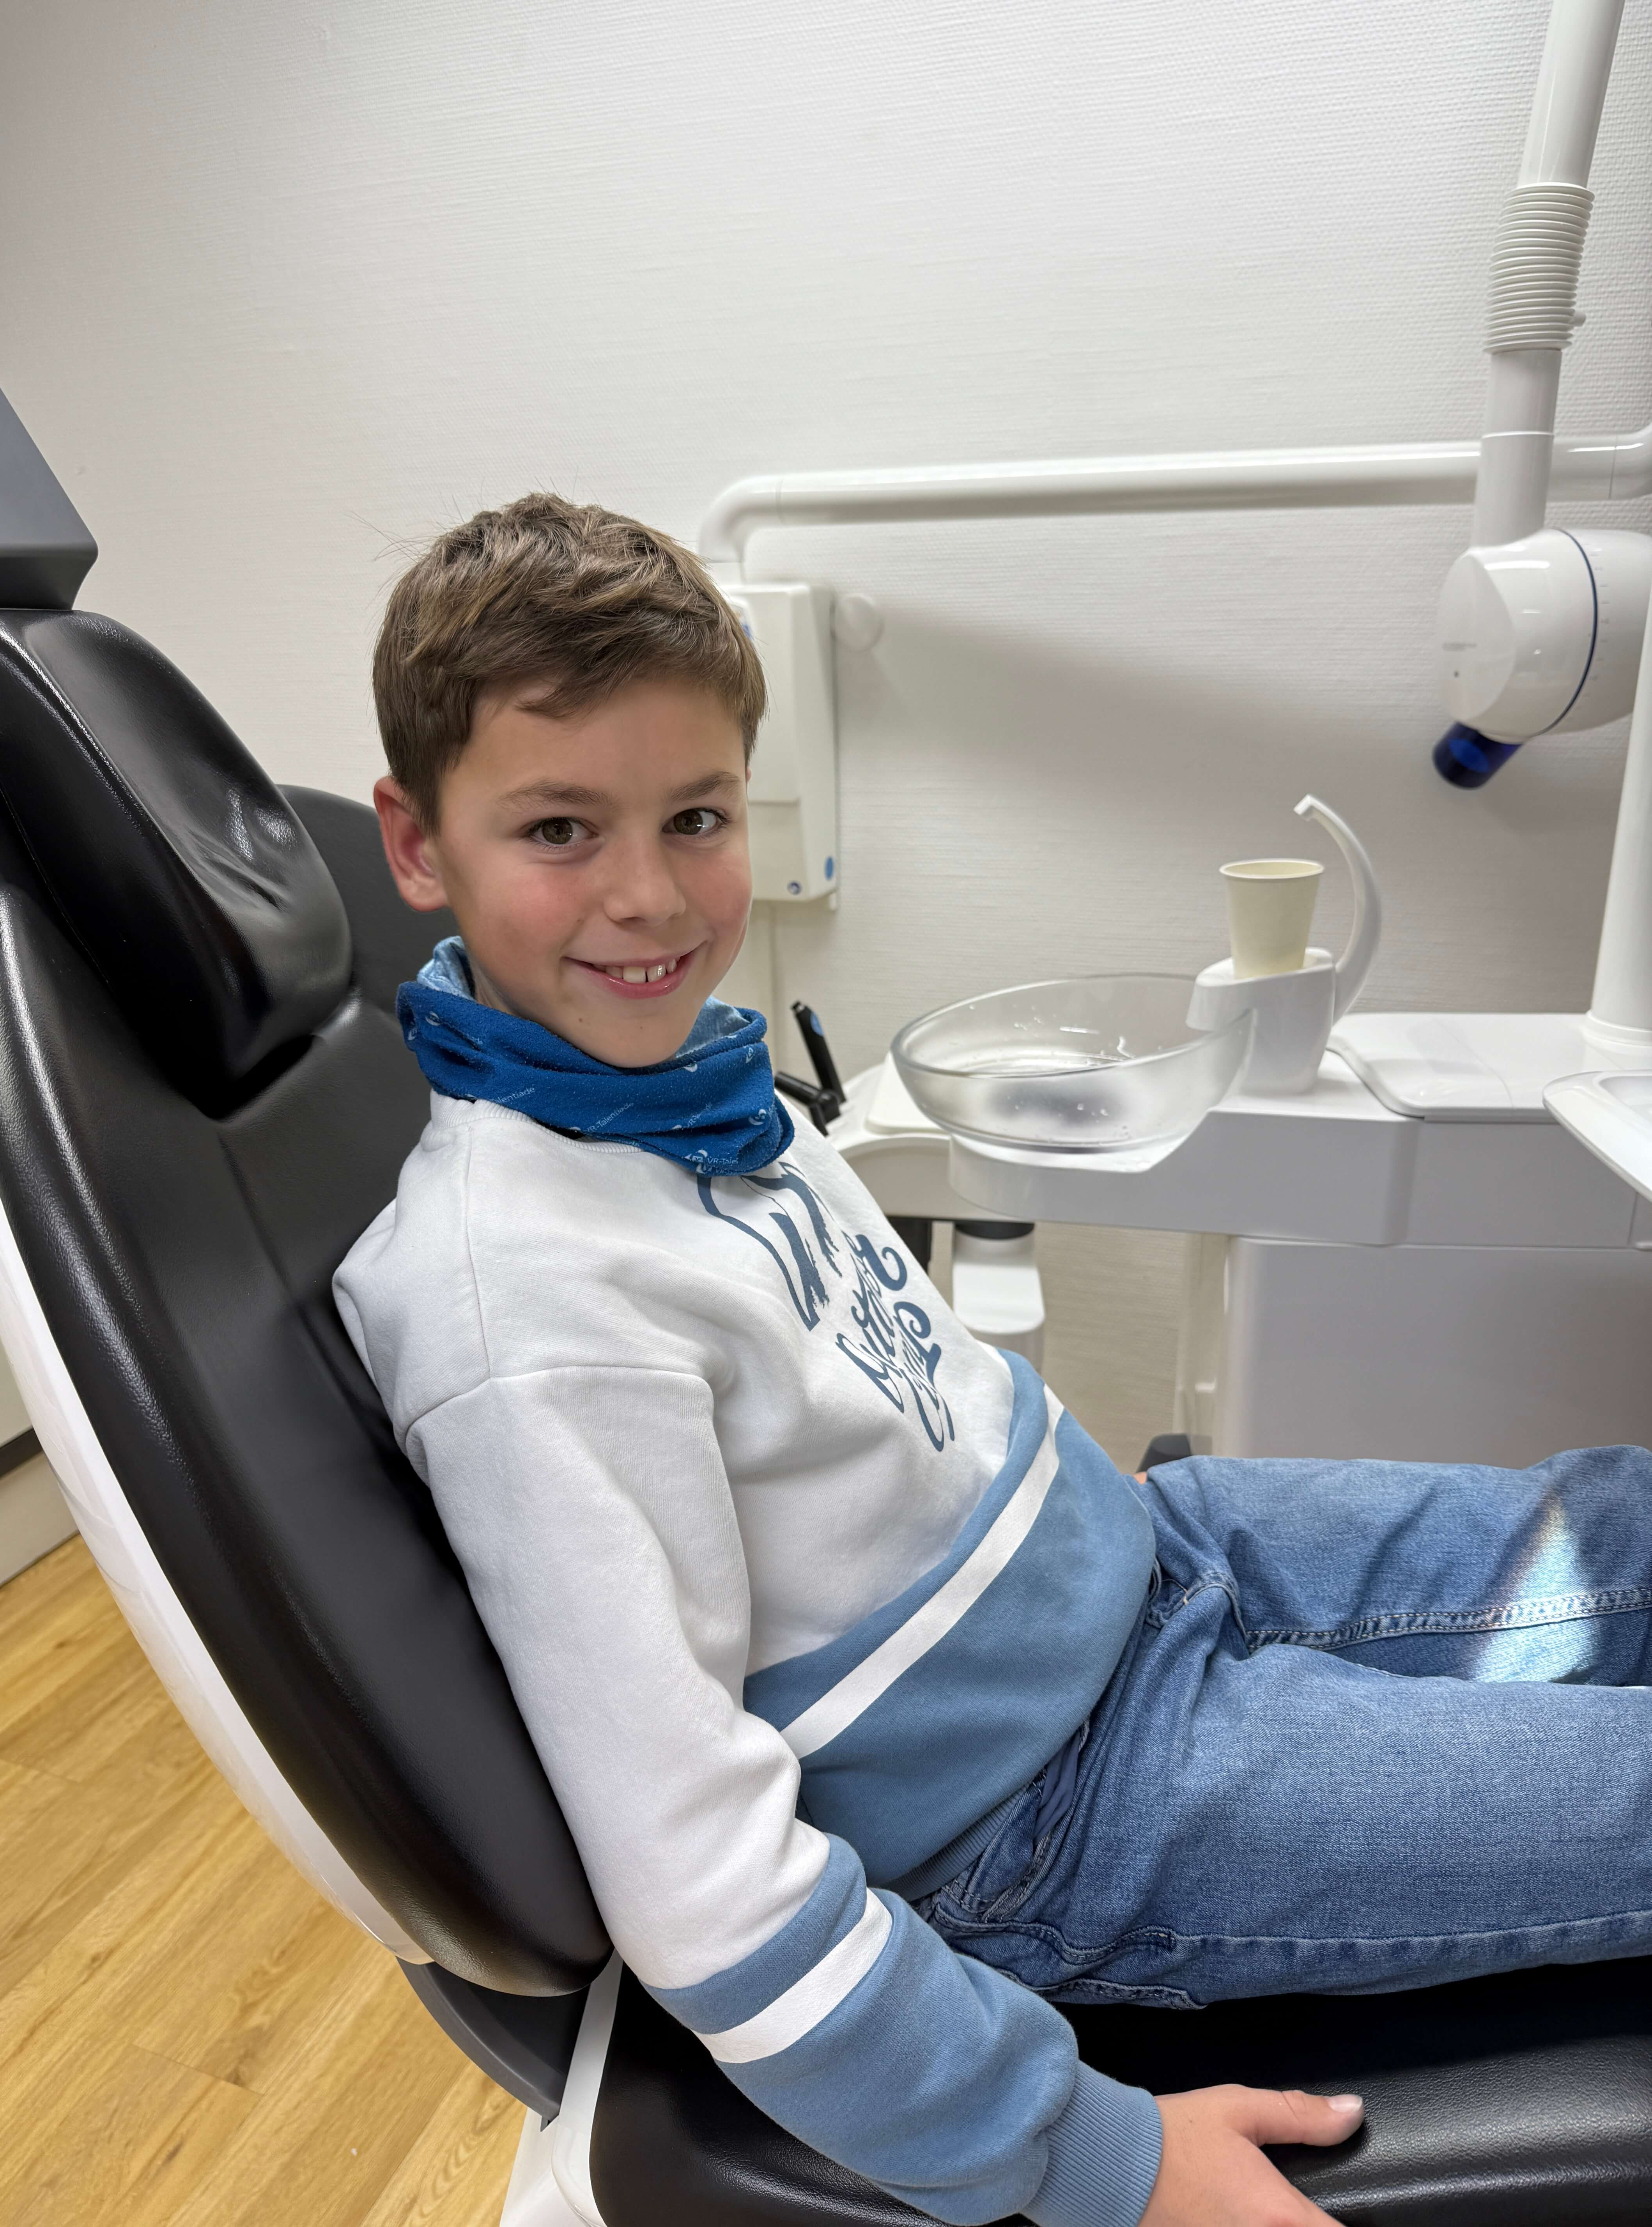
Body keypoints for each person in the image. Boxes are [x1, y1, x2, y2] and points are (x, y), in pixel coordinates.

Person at [335, 492, 1652, 2227]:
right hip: (1044, 1813)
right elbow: (704, 1886)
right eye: (561, 829)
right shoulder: (524, 1306)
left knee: (1616, 1520)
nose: (649, 897)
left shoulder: (697, 1094)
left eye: (699, 815)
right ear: (417, 847)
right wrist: (1094, 2154)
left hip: (1163, 1565)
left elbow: (906, 1408)